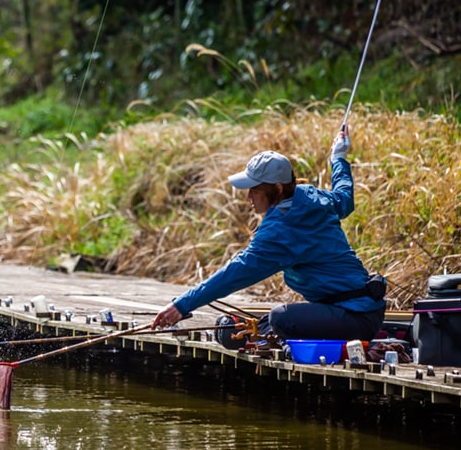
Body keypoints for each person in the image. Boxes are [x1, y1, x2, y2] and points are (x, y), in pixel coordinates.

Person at [151, 125, 386, 341]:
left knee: (280, 319)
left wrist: (181, 306)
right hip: (361, 308)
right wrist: (339, 158)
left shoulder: (281, 232)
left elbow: (235, 273)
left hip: (355, 316)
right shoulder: (312, 197)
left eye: (254, 190)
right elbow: (344, 198)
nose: (248, 197)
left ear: (277, 189)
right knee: (258, 325)